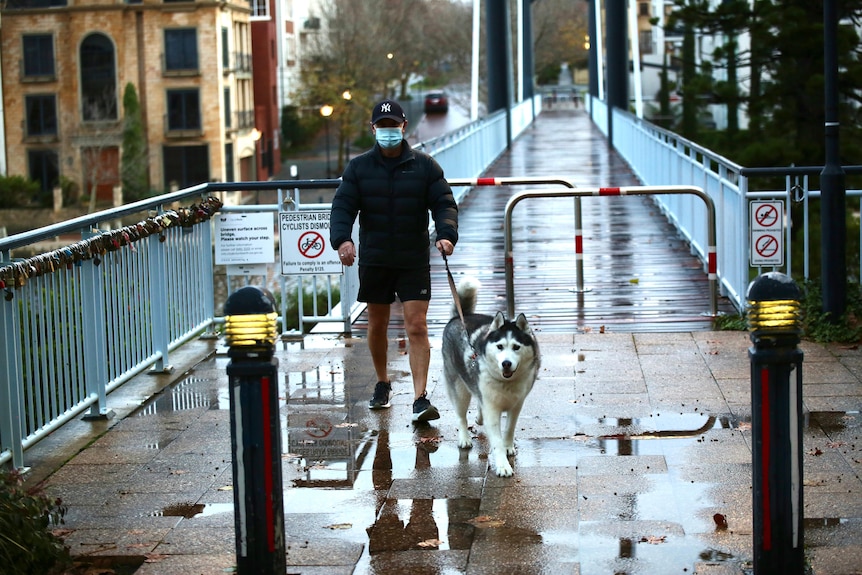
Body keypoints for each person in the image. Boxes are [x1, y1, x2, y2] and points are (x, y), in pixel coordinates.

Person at [330, 99, 458, 423]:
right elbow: (343, 206)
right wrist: (343, 239)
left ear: (404, 127)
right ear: (373, 129)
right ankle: (383, 383)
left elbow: (444, 202)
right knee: (377, 325)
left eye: (394, 125)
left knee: (417, 325)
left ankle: (419, 397)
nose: (388, 131)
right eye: (382, 126)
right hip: (375, 258)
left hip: (413, 257)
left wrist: (446, 234)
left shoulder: (425, 166)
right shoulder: (358, 168)